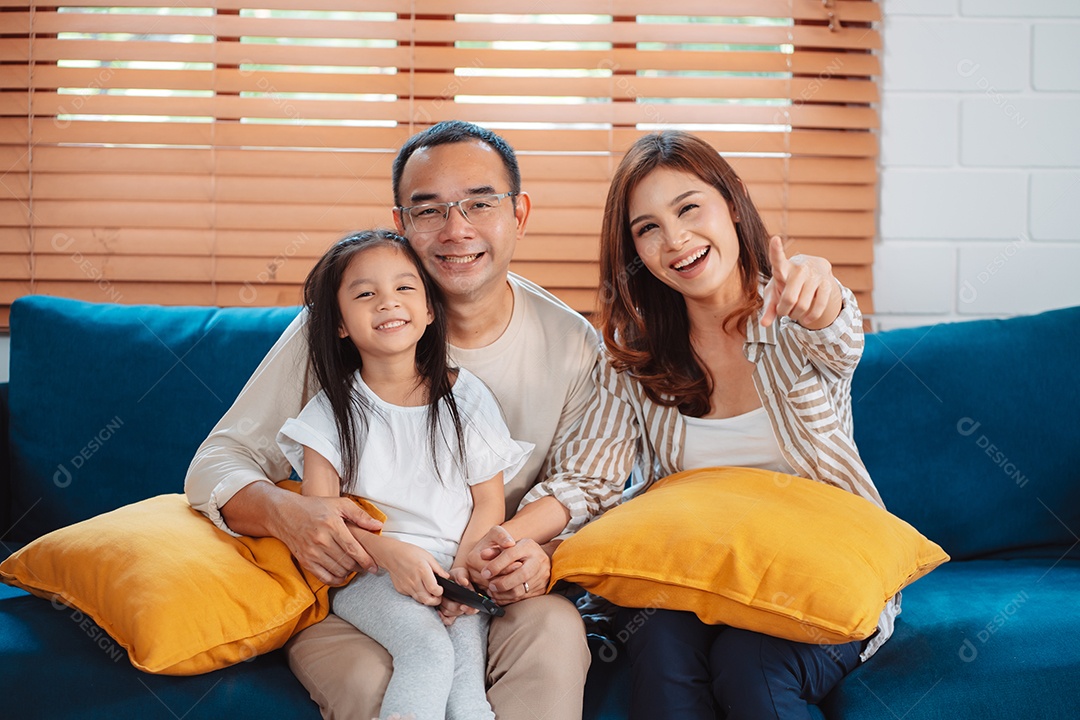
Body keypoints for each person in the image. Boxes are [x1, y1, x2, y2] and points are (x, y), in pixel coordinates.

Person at [185, 121, 630, 720]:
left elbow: (591, 485)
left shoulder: (573, 344)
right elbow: (216, 462)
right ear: (400, 224)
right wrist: (291, 515)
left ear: (519, 213)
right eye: (429, 210)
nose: (456, 230)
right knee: (382, 680)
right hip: (364, 585)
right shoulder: (338, 330)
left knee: (552, 635)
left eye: (479, 203)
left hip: (490, 583)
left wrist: (532, 548)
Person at [555, 129, 898, 719]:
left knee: (750, 667)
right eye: (648, 228)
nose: (676, 239)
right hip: (692, 576)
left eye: (689, 208)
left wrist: (825, 295)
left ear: (733, 202)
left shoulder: (797, 318)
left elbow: (839, 335)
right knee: (659, 648)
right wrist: (521, 538)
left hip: (815, 568)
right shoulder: (635, 356)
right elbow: (591, 479)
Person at [276, 230, 533, 720]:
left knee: (467, 690)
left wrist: (466, 571)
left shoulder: (469, 398)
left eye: (405, 288)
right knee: (428, 654)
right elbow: (323, 517)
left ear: (432, 309)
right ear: (340, 325)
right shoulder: (329, 414)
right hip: (368, 571)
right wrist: (391, 554)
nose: (387, 303)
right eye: (365, 293)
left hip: (454, 573)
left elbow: (487, 504)